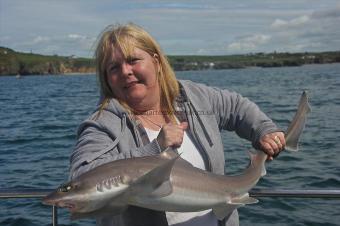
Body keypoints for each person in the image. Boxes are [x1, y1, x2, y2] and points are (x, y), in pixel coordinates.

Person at [70, 23, 285, 226]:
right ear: (107, 79)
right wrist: (154, 148)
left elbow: (237, 107)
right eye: (114, 68)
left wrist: (264, 130)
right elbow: (82, 177)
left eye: (133, 60)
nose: (125, 71)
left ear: (156, 61)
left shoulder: (193, 98)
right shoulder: (102, 125)